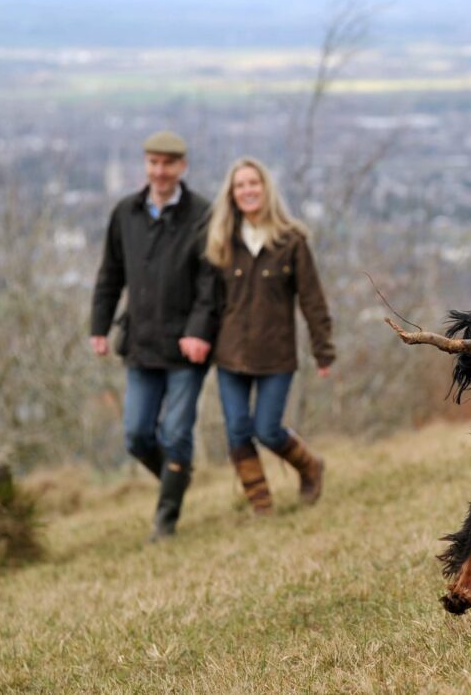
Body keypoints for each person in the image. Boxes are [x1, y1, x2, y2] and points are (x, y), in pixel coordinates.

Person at [90, 130, 217, 541]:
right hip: (141, 344)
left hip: (186, 348)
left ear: (182, 166)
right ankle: (176, 477)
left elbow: (211, 284)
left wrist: (199, 332)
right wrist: (99, 326)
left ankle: (165, 520)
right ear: (145, 165)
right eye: (153, 163)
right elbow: (110, 275)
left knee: (177, 433)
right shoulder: (125, 213)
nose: (159, 171)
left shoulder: (203, 214)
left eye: (168, 164)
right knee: (137, 435)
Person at [203, 156, 334, 515]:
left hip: (276, 354)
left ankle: (311, 466)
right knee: (236, 432)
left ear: (265, 189)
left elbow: (312, 299)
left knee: (267, 428)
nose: (247, 190)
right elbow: (207, 301)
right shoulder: (222, 242)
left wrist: (323, 349)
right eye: (240, 185)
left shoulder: (291, 241)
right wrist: (197, 338)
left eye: (253, 183)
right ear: (232, 194)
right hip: (229, 353)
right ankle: (262, 507)